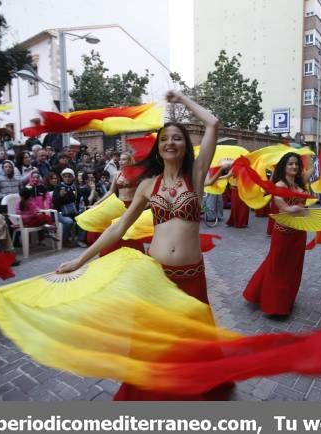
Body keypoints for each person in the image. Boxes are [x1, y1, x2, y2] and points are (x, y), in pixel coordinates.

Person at [56, 90, 230, 400]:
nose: (170, 143)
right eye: (165, 139)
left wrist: (180, 100)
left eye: (177, 138)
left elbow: (213, 122)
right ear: (159, 148)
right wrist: (80, 260)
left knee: (191, 341)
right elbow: (120, 227)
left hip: (191, 275)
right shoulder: (149, 185)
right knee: (158, 340)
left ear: (184, 145)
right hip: (158, 276)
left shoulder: (197, 175)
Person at [242, 153, 310, 316]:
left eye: (296, 164)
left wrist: (309, 154)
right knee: (277, 267)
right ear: (283, 167)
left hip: (299, 234)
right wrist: (302, 209)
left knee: (293, 269)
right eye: (290, 164)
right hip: (283, 234)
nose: (294, 167)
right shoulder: (279, 185)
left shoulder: (300, 184)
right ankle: (274, 306)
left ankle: (286, 301)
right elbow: (285, 208)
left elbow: (302, 208)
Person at [88, 152, 145, 254]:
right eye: (120, 159)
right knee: (116, 228)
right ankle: (112, 252)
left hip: (132, 205)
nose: (121, 161)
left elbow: (143, 191)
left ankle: (134, 252)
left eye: (124, 159)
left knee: (129, 230)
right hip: (119, 205)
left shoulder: (137, 174)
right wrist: (99, 201)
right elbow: (111, 191)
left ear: (130, 161)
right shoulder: (117, 174)